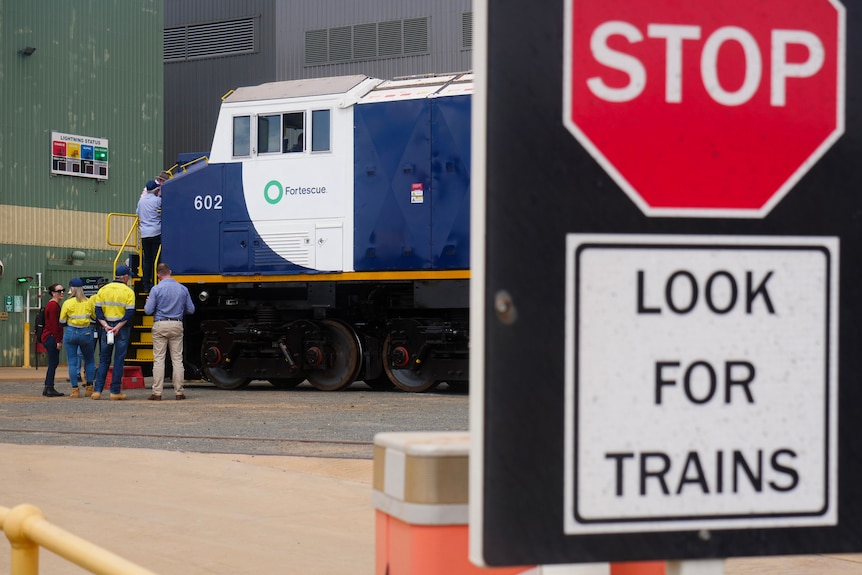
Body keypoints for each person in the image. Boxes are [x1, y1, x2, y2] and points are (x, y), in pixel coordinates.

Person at [144, 262, 195, 400]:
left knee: (159, 359)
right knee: (177, 359)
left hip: (160, 325)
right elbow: (191, 310)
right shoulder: (182, 289)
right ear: (170, 272)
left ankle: (157, 393)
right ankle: (179, 392)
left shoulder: (156, 289)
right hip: (176, 324)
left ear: (158, 275)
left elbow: (148, 310)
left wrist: (148, 301)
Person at [91, 265, 137, 400]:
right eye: (128, 276)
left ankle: (97, 391)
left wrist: (106, 326)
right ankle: (115, 392)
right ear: (125, 277)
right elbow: (129, 313)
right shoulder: (128, 291)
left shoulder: (103, 290)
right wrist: (118, 326)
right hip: (121, 328)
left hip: (106, 328)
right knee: (118, 359)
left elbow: (98, 311)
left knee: (104, 359)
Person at [60, 277, 96, 398]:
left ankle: (75, 390)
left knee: (72, 362)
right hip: (86, 333)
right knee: (90, 360)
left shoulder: (67, 303)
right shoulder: (89, 302)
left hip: (71, 333)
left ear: (71, 288)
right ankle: (89, 389)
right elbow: (94, 317)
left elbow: (61, 320)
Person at [40, 284, 66, 397]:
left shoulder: (51, 305)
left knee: (53, 362)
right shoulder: (54, 306)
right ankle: (49, 387)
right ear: (53, 293)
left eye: (63, 290)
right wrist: (58, 340)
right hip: (51, 337)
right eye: (59, 291)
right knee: (53, 362)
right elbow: (54, 325)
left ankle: (48, 387)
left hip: (48, 336)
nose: (62, 293)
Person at [137, 179, 162, 291]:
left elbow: (137, 213)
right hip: (156, 233)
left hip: (144, 234)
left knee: (147, 260)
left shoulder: (141, 201)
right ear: (156, 189)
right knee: (156, 259)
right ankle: (155, 281)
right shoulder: (158, 201)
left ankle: (146, 284)